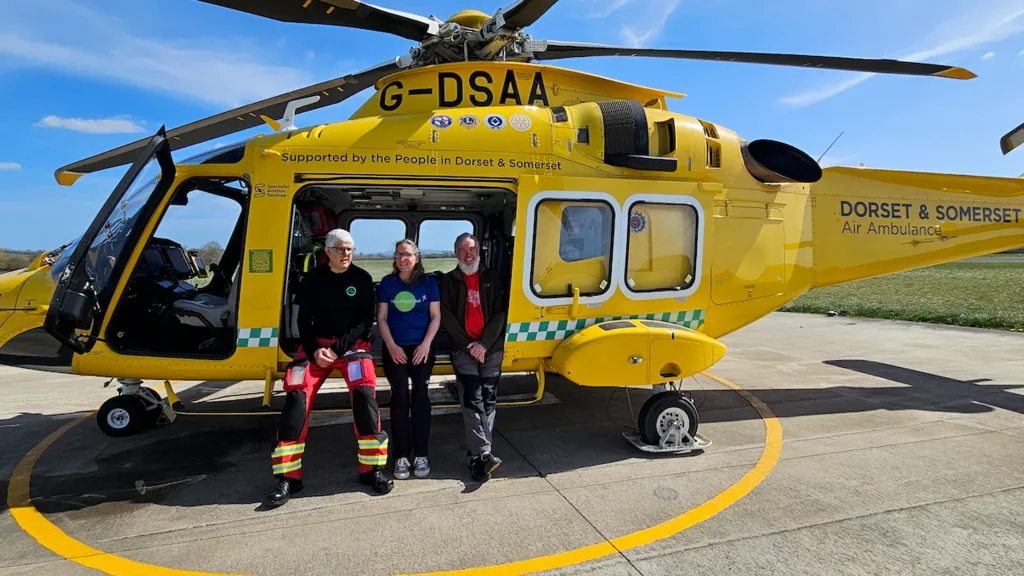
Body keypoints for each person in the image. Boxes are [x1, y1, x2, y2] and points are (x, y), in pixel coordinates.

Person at [264, 228, 393, 508]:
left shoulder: (361, 279)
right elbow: (303, 321)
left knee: (364, 395)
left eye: (350, 249)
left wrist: (337, 350)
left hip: (353, 347)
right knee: (296, 398)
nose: (346, 254)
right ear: (327, 252)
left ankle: (372, 470)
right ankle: (289, 478)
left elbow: (363, 323)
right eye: (340, 249)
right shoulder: (312, 280)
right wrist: (313, 350)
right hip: (316, 347)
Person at [439, 232, 508, 482]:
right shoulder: (448, 281)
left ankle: (479, 457)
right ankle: (484, 452)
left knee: (488, 399)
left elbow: (500, 314)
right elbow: (447, 317)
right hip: (463, 349)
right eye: (462, 250)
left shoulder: (492, 278)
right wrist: (470, 345)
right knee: (472, 398)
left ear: (479, 251)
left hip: (491, 349)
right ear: (455, 253)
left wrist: (484, 344)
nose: (468, 254)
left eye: (472, 249)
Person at [376, 239, 441, 480]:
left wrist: (425, 345)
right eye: (398, 255)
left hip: (422, 348)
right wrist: (392, 346)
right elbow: (381, 318)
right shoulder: (387, 283)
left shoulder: (429, 283)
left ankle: (421, 454)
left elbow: (435, 317)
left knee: (421, 398)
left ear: (417, 258)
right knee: (400, 398)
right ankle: (401, 456)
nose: (402, 259)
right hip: (395, 348)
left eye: (407, 255)